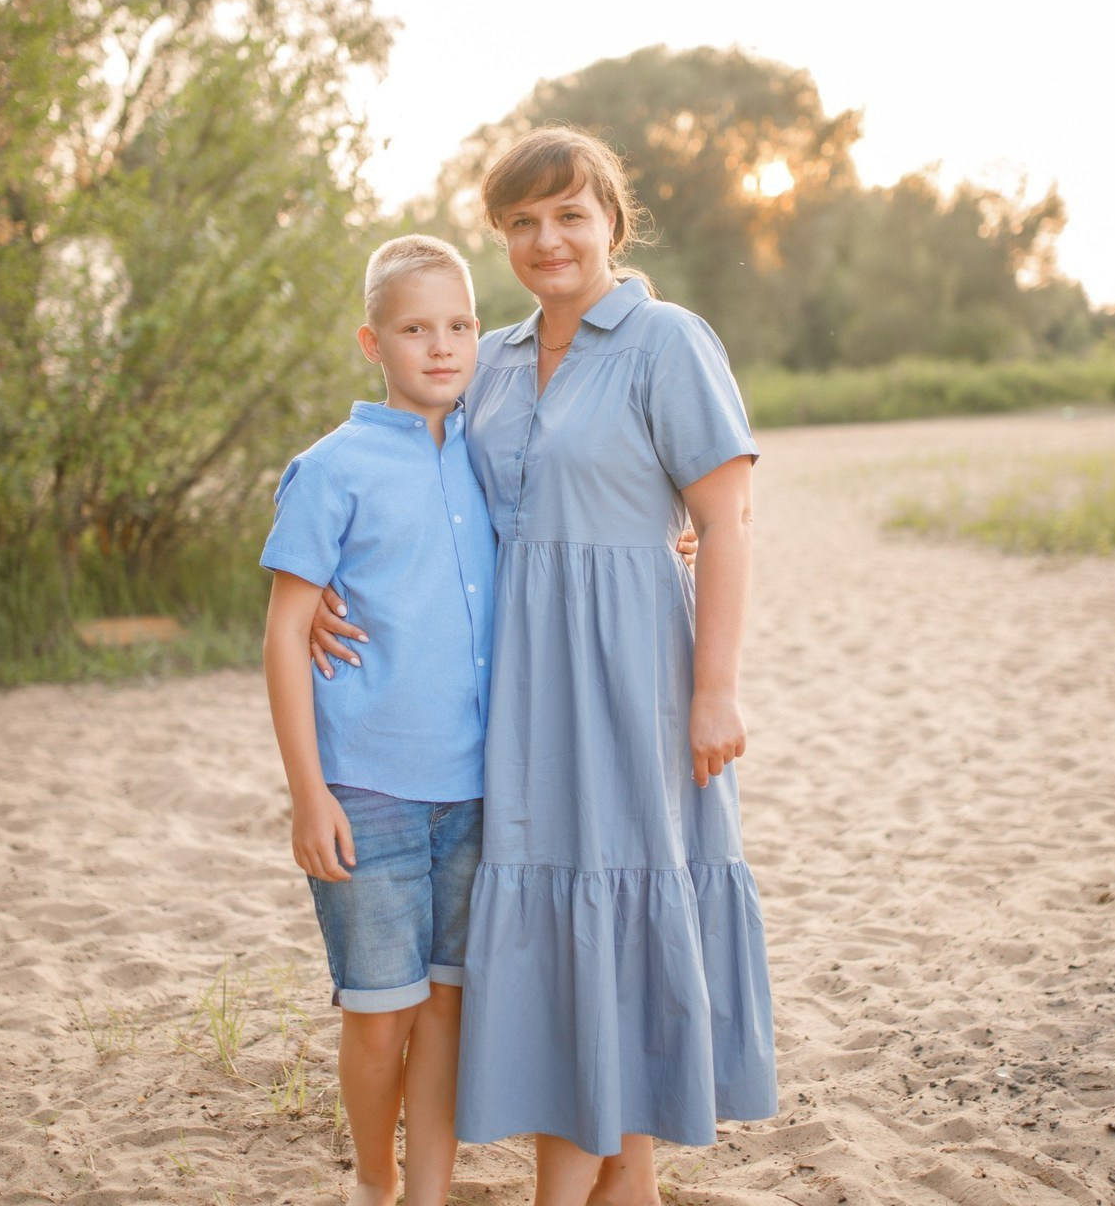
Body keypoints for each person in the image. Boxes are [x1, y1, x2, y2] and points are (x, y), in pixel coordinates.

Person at [316, 127, 776, 1206]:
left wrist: (712, 687)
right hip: (519, 694)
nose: (546, 238)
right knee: (572, 927)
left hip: (631, 683)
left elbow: (728, 515)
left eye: (569, 213)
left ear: (613, 220)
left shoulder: (665, 340)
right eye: (520, 221)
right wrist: (321, 585)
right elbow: (416, 480)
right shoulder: (497, 357)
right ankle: (628, 1185)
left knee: (615, 914)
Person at [260, 234, 497, 1206]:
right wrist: (306, 794)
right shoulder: (330, 467)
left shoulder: (496, 448)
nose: (440, 347)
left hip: (480, 787)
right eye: (413, 328)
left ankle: (431, 1192)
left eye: (459, 325)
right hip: (367, 788)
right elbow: (283, 636)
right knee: (378, 1014)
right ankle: (376, 1179)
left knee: (447, 1007)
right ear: (371, 341)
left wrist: (673, 533)